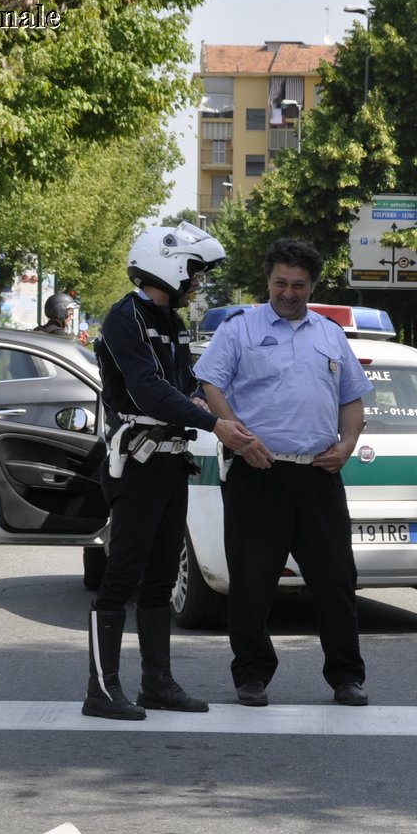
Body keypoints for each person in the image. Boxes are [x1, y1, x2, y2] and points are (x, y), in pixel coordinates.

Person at [84, 223, 257, 721]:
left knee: (160, 581)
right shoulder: (126, 318)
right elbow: (147, 392)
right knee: (122, 578)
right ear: (172, 267)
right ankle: (101, 687)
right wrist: (214, 422)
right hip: (135, 463)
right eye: (195, 273)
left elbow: (181, 387)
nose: (197, 284)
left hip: (168, 460)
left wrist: (213, 406)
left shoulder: (171, 322)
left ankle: (156, 684)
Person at [194, 238, 374, 708]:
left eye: (298, 285)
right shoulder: (240, 329)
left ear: (311, 286)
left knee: (336, 580)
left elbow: (351, 398)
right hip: (260, 471)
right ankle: (252, 675)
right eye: (281, 283)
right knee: (252, 583)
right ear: (268, 281)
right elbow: (210, 383)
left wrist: (349, 444)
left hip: (318, 475)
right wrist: (235, 434)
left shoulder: (330, 334)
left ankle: (346, 677)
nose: (289, 292)